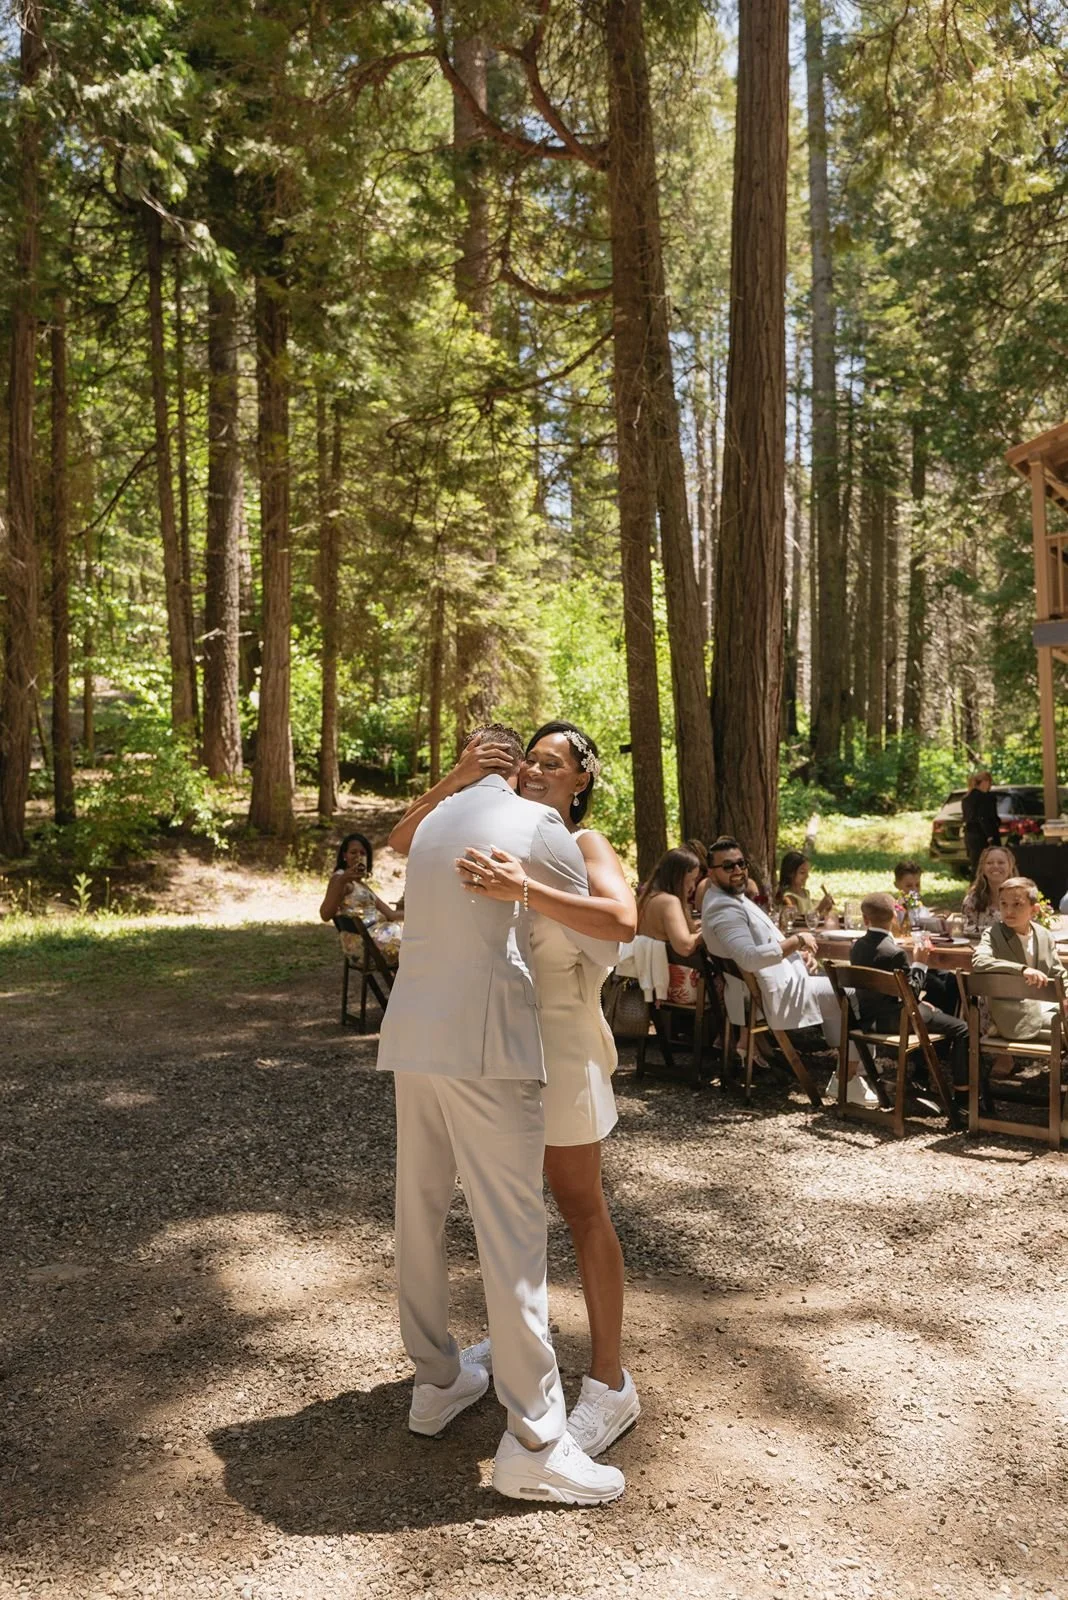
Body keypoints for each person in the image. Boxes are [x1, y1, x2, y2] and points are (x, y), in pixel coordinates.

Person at [377, 722, 625, 1504]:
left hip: (555, 1044)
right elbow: (403, 841)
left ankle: (609, 1380)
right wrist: (455, 776)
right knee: (502, 1224)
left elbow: (622, 922)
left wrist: (521, 887)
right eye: (529, 760)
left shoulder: (577, 844)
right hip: (499, 1048)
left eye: (553, 761)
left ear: (579, 780)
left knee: (578, 1208)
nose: (535, 769)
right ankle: (500, 1412)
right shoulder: (486, 824)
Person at [700, 836, 877, 1107]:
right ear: (711, 872)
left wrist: (798, 955)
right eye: (728, 866)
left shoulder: (729, 897)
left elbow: (764, 944)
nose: (737, 870)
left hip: (779, 984)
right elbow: (748, 958)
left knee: (840, 989)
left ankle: (849, 1074)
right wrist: (797, 940)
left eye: (740, 864)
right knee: (857, 993)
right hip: (778, 995)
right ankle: (850, 1078)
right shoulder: (724, 908)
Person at [849, 893, 969, 1091]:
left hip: (867, 1019)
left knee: (930, 1008)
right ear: (894, 918)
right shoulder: (894, 953)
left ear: (865, 919)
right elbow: (911, 995)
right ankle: (962, 1092)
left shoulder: (856, 947)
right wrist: (920, 962)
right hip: (897, 1022)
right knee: (962, 1028)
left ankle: (922, 1074)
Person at [972, 876, 1068, 1043]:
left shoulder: (1044, 935)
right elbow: (979, 961)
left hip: (1045, 1006)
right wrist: (1022, 969)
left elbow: (1058, 971)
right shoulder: (993, 934)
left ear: (1034, 909)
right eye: (1003, 904)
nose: (1009, 911)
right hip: (1013, 1012)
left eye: (1017, 904)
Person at [319, 832, 403, 966]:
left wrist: (419, 914)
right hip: (364, 946)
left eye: (363, 853)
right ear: (344, 856)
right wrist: (342, 881)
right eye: (353, 852)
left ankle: (403, 983)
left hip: (378, 939)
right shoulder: (341, 879)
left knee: (416, 940)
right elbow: (325, 914)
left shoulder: (361, 885)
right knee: (417, 947)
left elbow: (390, 914)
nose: (358, 856)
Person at [635, 846, 704, 1005]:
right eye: (691, 880)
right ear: (679, 877)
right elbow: (685, 946)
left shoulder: (647, 899)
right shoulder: (669, 902)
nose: (693, 887)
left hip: (653, 984)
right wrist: (705, 933)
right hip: (676, 988)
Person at [961, 844, 1017, 934]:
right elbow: (966, 931)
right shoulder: (972, 900)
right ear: (983, 868)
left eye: (1001, 862)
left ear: (1010, 867)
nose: (995, 866)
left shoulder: (1023, 899)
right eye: (989, 863)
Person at [776, 851, 833, 921]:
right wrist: (820, 908)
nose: (807, 876)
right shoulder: (789, 898)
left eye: (807, 872)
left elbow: (814, 920)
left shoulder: (805, 893)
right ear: (790, 873)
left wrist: (825, 909)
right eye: (802, 873)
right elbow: (798, 922)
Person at [961, 770, 1000, 873]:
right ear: (985, 782)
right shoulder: (984, 798)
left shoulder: (966, 798)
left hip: (970, 835)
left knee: (975, 864)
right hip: (982, 835)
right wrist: (990, 836)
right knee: (987, 864)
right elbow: (983, 817)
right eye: (989, 782)